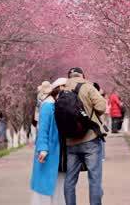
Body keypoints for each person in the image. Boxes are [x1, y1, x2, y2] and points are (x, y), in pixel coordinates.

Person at [54, 67, 108, 205]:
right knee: (94, 179)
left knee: (70, 180)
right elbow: (101, 107)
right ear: (83, 75)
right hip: (90, 139)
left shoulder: (61, 90)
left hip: (70, 142)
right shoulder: (87, 87)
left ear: (69, 76)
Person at [31, 80, 67, 205]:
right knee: (45, 185)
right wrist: (43, 148)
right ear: (58, 88)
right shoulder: (48, 105)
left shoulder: (56, 104)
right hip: (48, 152)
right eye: (64, 87)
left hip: (57, 152)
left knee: (58, 184)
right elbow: (43, 129)